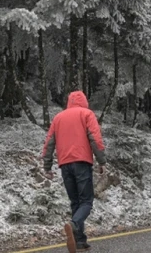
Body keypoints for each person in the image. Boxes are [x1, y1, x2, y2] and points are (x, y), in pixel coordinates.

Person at [41, 90, 107, 253]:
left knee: (76, 202)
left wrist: (47, 166)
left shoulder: (58, 118)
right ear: (84, 101)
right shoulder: (87, 114)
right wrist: (102, 161)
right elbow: (95, 138)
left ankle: (79, 241)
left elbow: (49, 143)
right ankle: (74, 224)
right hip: (82, 162)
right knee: (86, 202)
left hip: (65, 164)